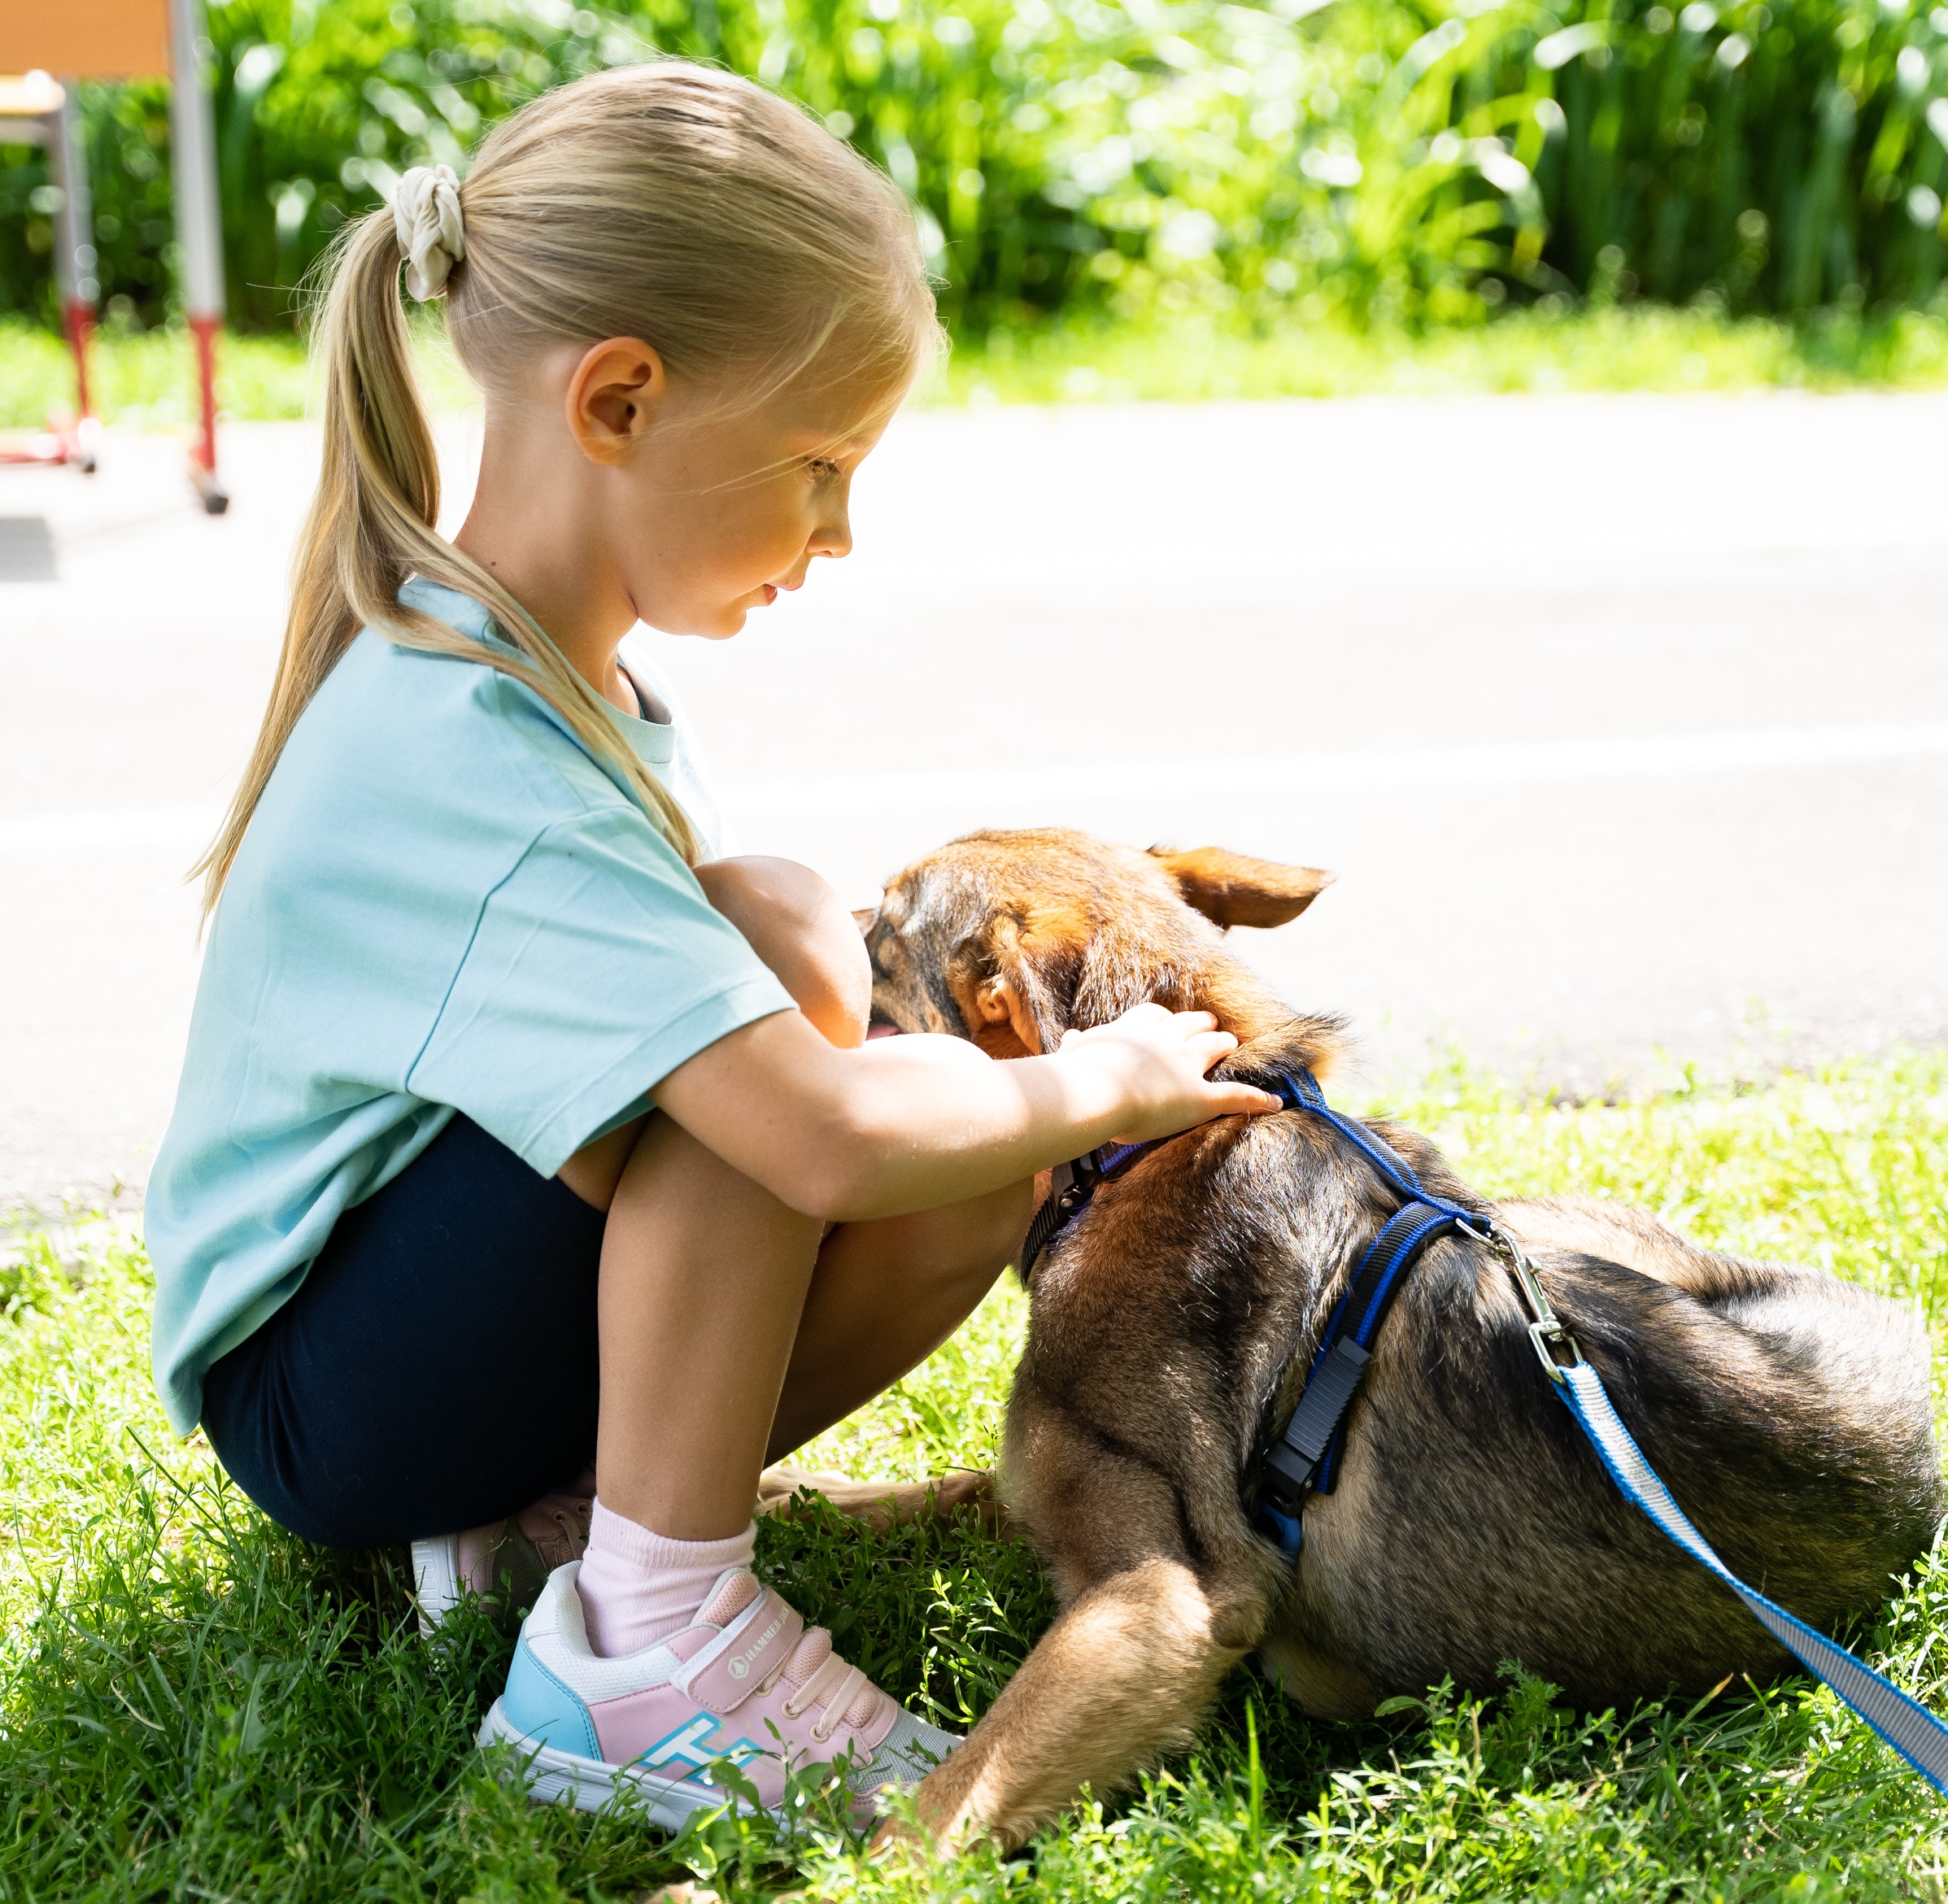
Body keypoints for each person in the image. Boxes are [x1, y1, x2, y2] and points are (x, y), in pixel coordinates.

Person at [146, 61, 1280, 1830]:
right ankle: (649, 1651)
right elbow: (807, 1136)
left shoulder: (552, 671)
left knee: (872, 1057)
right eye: (819, 467)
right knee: (796, 1013)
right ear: (620, 399)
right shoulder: (467, 748)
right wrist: (1105, 1073)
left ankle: (561, 1531)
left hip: (400, 1351)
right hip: (321, 1389)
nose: (838, 533)